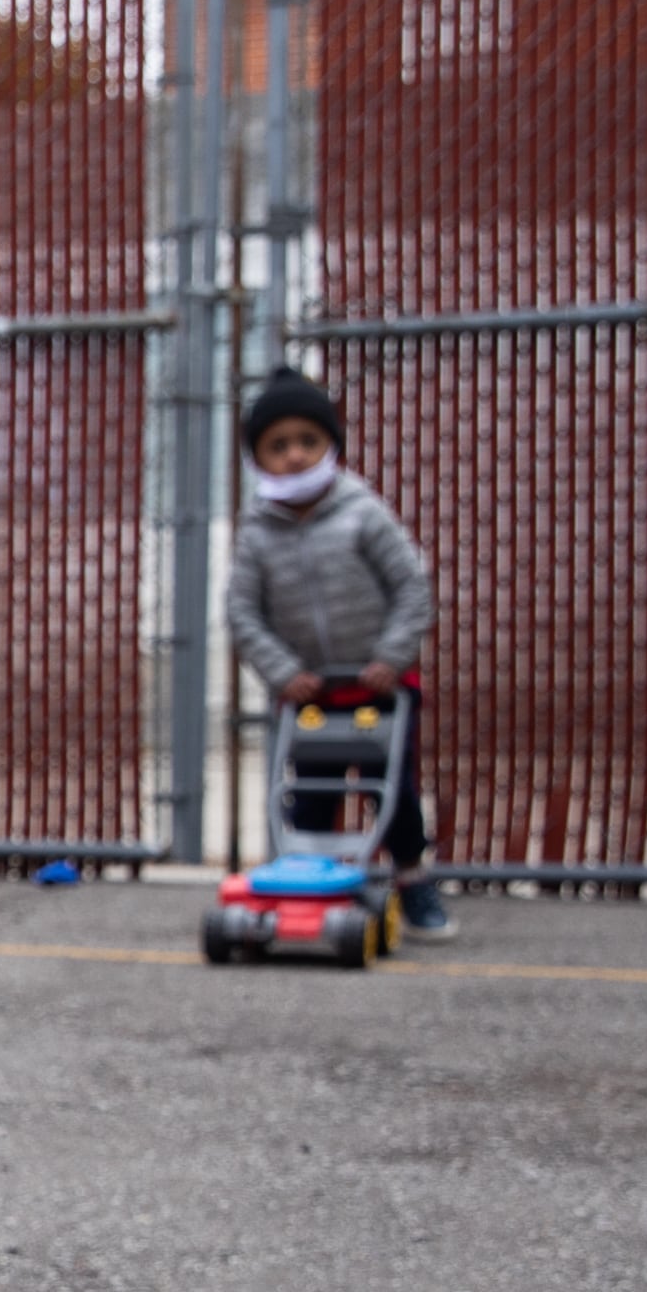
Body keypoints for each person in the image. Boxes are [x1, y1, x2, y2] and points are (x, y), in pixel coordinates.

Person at [227, 369, 449, 940]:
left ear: (331, 447)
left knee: (391, 791)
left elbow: (412, 587)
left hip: (379, 686)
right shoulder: (256, 531)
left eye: (308, 441)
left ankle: (413, 880)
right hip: (311, 691)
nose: (295, 456)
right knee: (311, 795)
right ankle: (312, 887)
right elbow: (244, 613)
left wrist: (391, 657)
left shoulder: (362, 511)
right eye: (278, 447)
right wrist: (283, 673)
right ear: (257, 459)